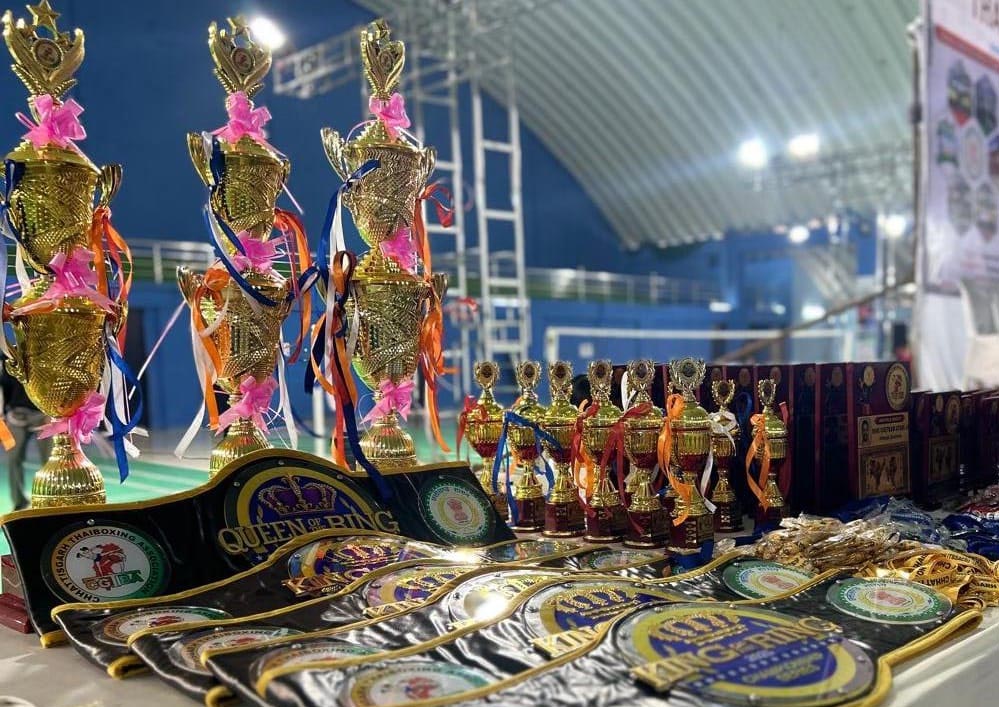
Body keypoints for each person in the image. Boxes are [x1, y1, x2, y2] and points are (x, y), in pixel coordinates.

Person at [1, 356, 51, 510]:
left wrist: (52, 412)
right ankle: (19, 502)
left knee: (50, 460)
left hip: (43, 415)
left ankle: (51, 499)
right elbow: (3, 386)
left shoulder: (43, 355)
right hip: (16, 416)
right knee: (13, 459)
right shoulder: (8, 357)